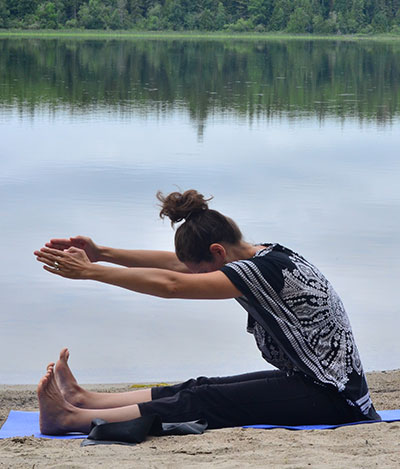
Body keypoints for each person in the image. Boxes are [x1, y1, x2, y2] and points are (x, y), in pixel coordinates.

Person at [34, 189, 380, 435]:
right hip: (319, 384)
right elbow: (175, 266)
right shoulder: (264, 255)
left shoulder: (258, 271)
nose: (198, 277)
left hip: (334, 398)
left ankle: (67, 419)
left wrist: (90, 273)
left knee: (205, 400)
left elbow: (172, 284)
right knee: (202, 386)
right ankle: (84, 399)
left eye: (202, 270)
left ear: (217, 252)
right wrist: (102, 253)